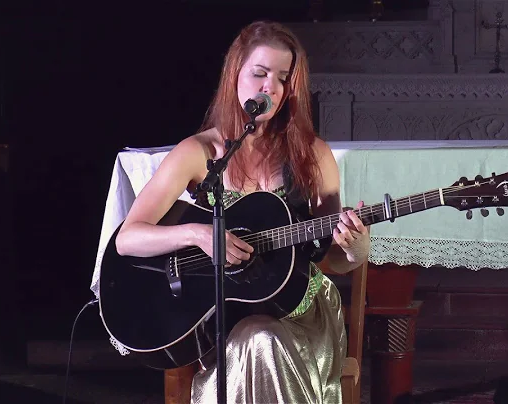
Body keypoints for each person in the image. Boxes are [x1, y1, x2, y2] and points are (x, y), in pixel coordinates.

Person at [114, 20, 371, 404]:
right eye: (260, 73)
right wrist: (198, 235)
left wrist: (356, 249)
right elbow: (128, 238)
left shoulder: (312, 154)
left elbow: (332, 257)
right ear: (235, 73)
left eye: (283, 79)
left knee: (265, 339)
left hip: (300, 317)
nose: (271, 88)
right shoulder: (200, 153)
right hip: (229, 322)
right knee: (255, 338)